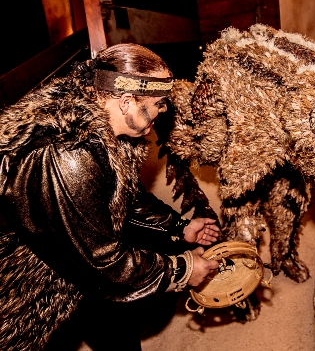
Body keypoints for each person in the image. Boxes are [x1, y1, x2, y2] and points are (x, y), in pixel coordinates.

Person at [0, 44, 220, 350]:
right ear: (127, 101)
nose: (164, 110)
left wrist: (178, 227)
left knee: (117, 329)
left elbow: (121, 199)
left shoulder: (111, 129)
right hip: (29, 282)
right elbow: (103, 263)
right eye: (159, 103)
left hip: (77, 256)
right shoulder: (69, 155)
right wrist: (182, 270)